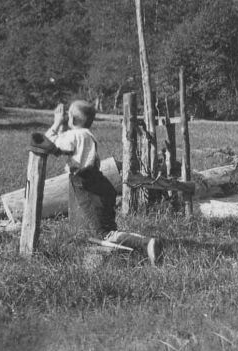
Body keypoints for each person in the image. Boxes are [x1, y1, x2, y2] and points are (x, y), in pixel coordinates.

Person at [34, 99, 162, 264]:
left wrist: (56, 124)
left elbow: (48, 144)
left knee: (104, 233)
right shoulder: (88, 135)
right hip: (100, 182)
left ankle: (145, 243)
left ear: (71, 119)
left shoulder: (74, 135)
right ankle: (141, 243)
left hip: (86, 185)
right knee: (109, 228)